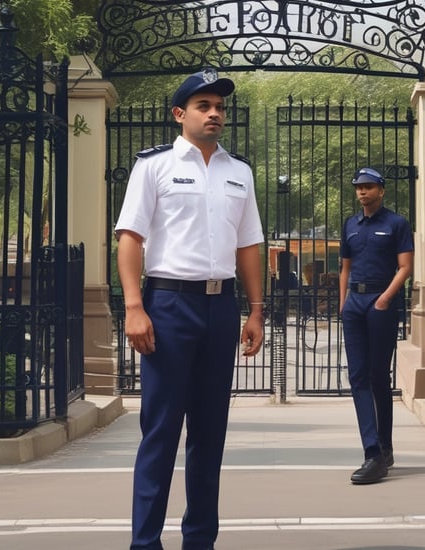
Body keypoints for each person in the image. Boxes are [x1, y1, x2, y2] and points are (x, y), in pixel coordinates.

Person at [115, 68, 265, 549]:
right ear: (180, 114)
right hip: (168, 305)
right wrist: (134, 306)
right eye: (204, 106)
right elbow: (130, 237)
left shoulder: (238, 172)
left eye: (220, 107)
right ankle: (145, 543)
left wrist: (257, 309)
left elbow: (249, 246)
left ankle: (200, 540)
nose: (215, 113)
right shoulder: (153, 167)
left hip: (220, 310)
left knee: (209, 432)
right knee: (160, 430)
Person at [338, 167, 413, 485]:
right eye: (358, 188)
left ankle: (385, 448)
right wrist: (343, 304)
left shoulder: (396, 224)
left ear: (381, 191)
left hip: (381, 303)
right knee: (358, 377)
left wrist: (384, 300)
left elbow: (406, 267)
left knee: (379, 377)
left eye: (368, 187)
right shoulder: (351, 225)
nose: (362, 193)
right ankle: (373, 452)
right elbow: (345, 267)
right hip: (355, 303)